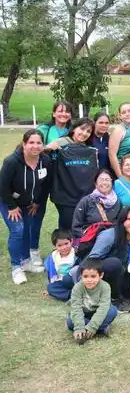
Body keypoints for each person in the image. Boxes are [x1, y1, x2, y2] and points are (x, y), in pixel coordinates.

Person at [1, 129, 52, 284]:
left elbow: (46, 185)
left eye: (39, 143)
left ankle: (26, 262)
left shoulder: (45, 160)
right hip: (8, 201)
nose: (35, 146)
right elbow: (2, 186)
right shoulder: (12, 162)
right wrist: (11, 206)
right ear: (24, 144)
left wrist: (37, 202)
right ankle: (16, 267)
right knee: (18, 230)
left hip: (29, 203)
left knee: (27, 230)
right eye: (31, 142)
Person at [76, 206, 130, 311]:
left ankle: (116, 296)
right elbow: (91, 261)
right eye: (129, 219)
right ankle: (113, 299)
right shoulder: (109, 235)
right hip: (98, 274)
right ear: (122, 221)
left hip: (121, 275)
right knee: (115, 263)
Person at [46, 118, 99, 230]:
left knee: (82, 227)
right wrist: (48, 149)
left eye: (88, 131)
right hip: (64, 196)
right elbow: (43, 156)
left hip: (83, 195)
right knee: (67, 227)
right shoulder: (60, 143)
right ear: (74, 128)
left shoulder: (89, 149)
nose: (84, 133)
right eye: (82, 129)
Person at [67, 259, 117, 342]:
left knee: (112, 311)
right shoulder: (77, 287)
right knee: (70, 322)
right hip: (84, 314)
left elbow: (103, 308)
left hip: (98, 313)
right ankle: (101, 330)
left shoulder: (105, 287)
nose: (89, 280)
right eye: (85, 276)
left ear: (101, 275)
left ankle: (90, 330)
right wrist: (79, 327)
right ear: (81, 276)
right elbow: (76, 308)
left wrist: (92, 327)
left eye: (93, 276)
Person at [72, 169, 122, 240]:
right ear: (95, 184)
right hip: (90, 240)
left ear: (112, 183)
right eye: (101, 180)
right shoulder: (86, 201)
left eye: (107, 180)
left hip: (111, 240)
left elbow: (120, 224)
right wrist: (89, 237)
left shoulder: (117, 202)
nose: (104, 182)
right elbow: (76, 227)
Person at [108, 102, 130, 178]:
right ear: (120, 116)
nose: (127, 114)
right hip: (123, 171)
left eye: (129, 111)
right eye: (124, 112)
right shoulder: (118, 130)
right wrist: (120, 177)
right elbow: (112, 155)